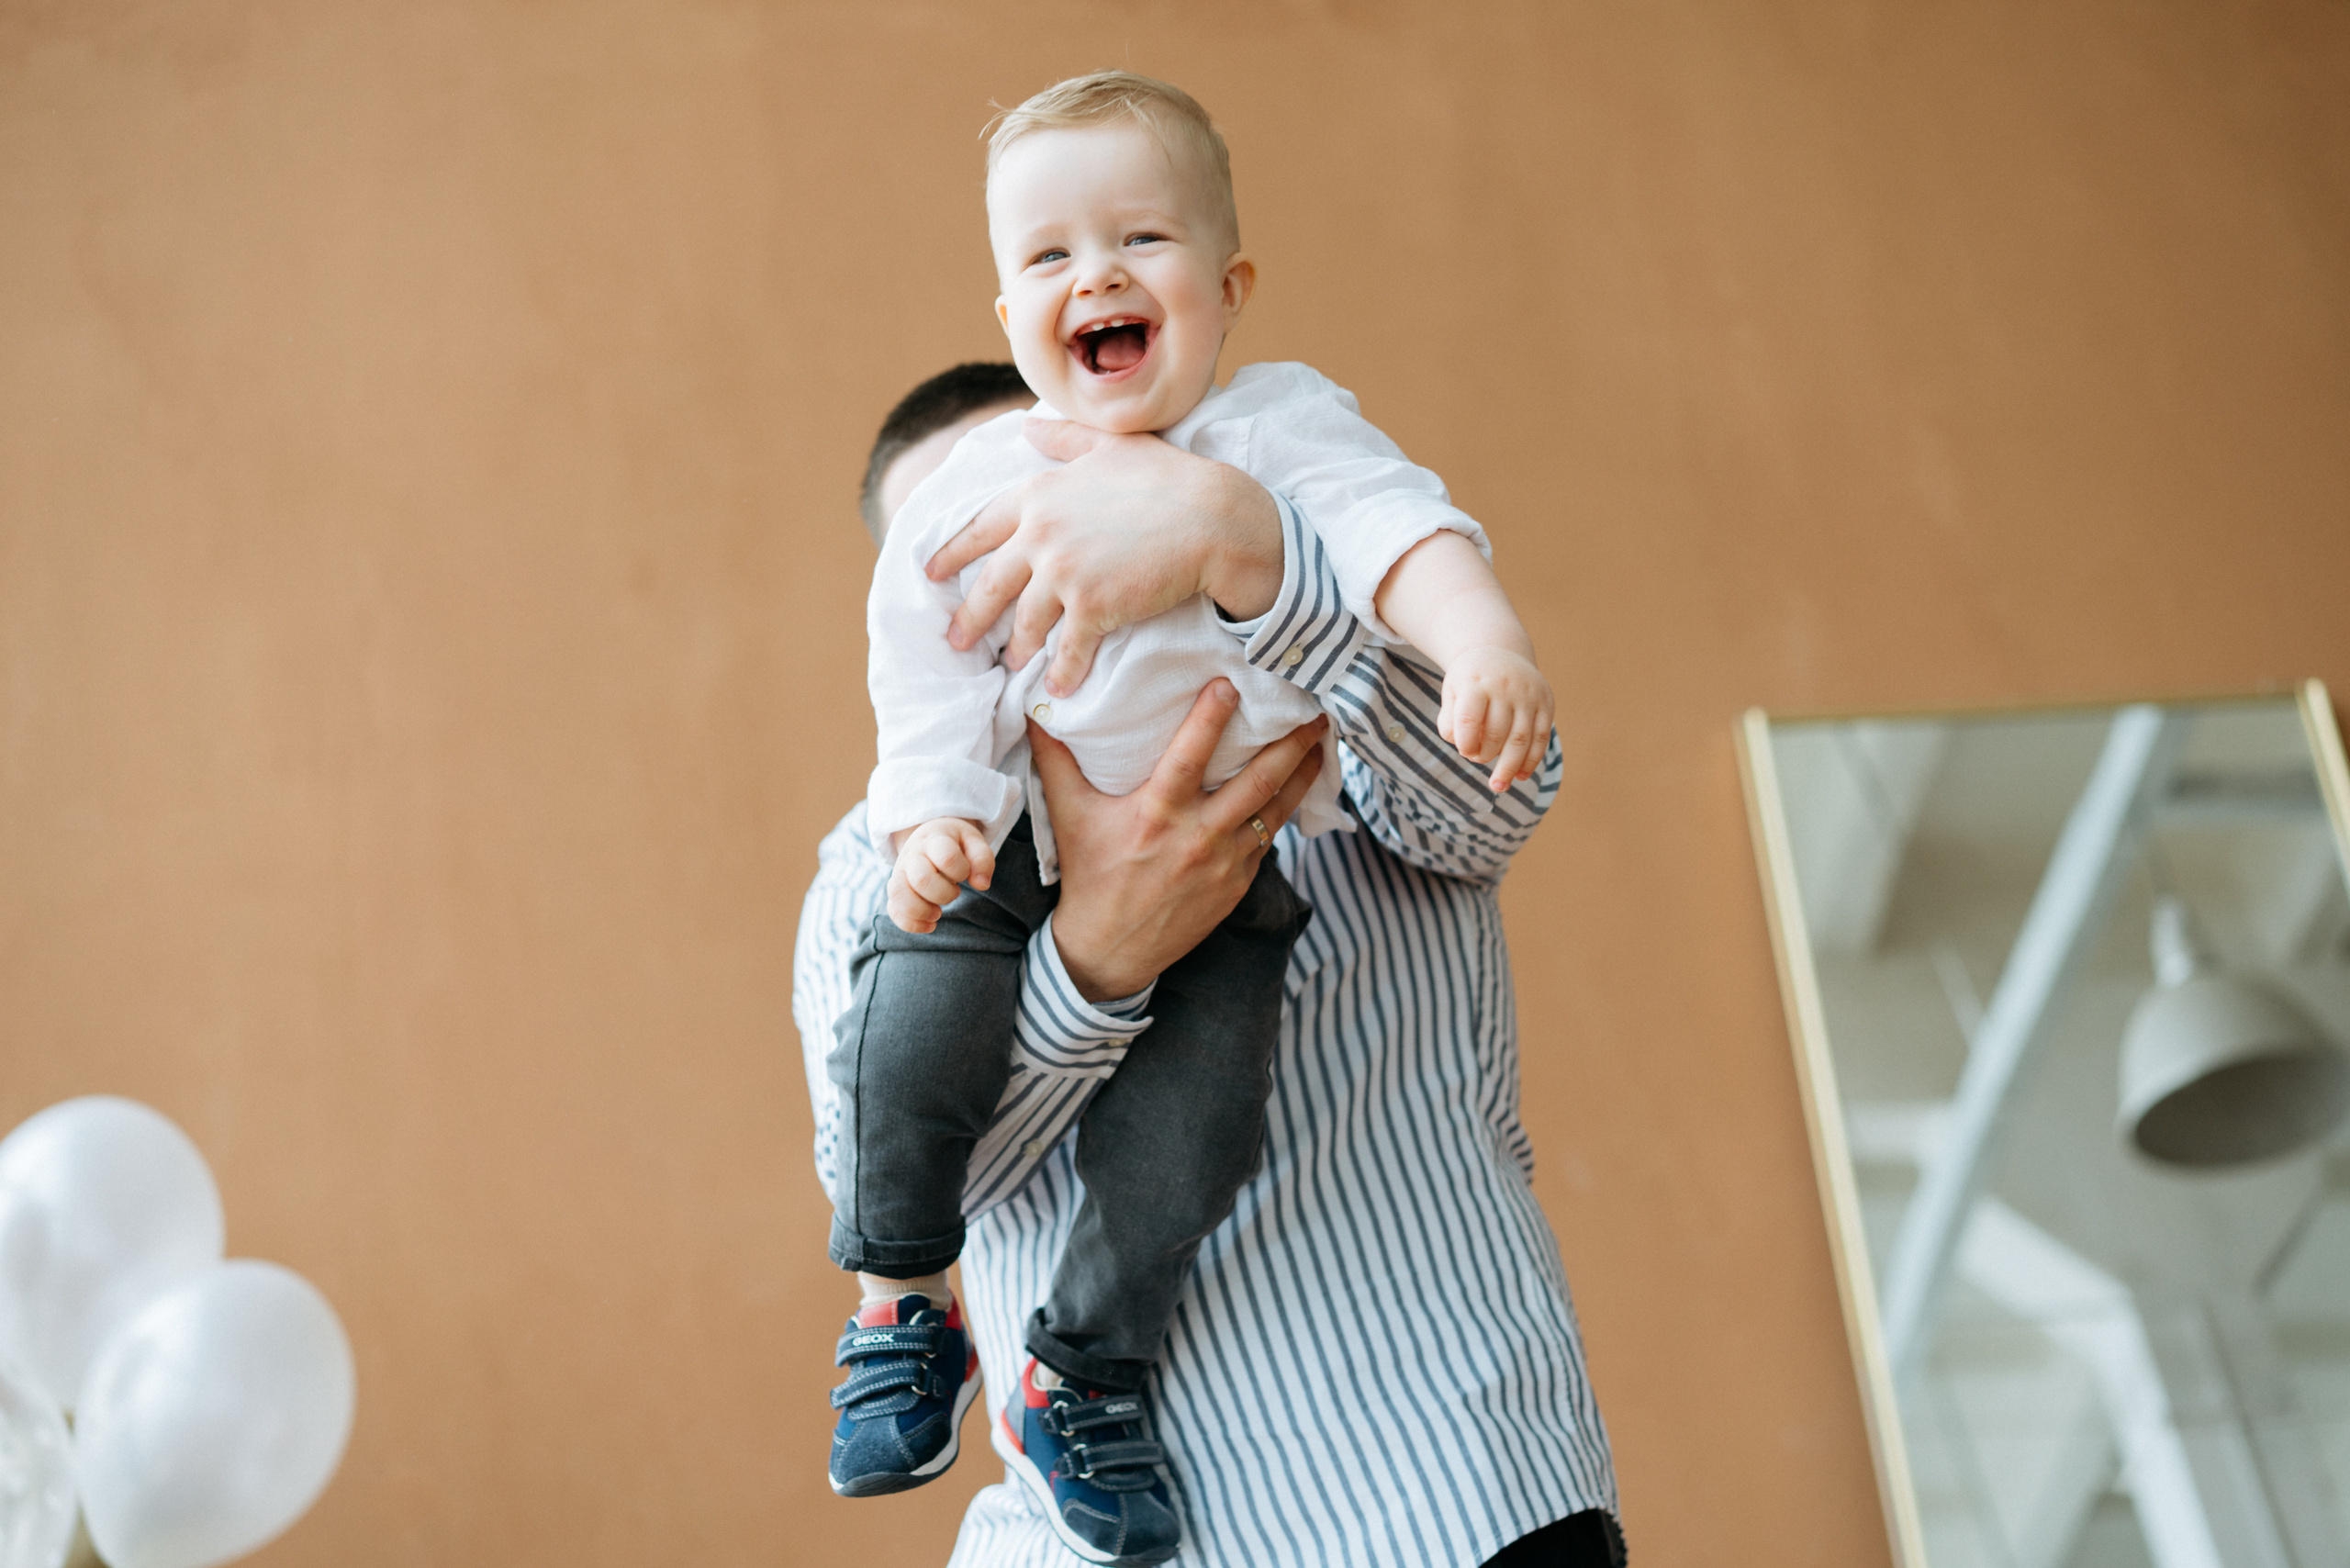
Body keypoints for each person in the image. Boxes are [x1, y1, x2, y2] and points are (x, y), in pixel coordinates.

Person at [827, 73, 1559, 1564]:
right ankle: (903, 1320)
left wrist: (1255, 555)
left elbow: (1493, 797)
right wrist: (1084, 936)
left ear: (1224, 293)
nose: (1091, 275)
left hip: (1454, 1481)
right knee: (908, 1047)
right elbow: (905, 1146)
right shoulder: (875, 848)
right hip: (1087, 1549)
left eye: (1135, 242)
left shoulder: (1280, 451)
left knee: (1200, 1116)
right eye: (1046, 260)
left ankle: (1078, 1368)